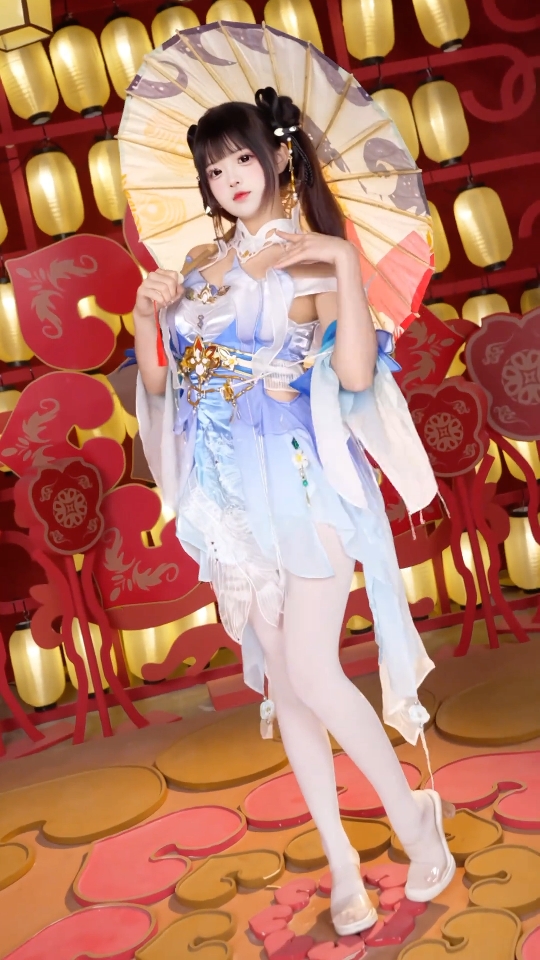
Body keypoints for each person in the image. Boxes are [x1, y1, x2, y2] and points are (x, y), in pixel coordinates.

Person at [133, 86, 455, 936]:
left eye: (242, 157)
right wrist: (145, 317)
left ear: (278, 156)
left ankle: (412, 818)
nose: (230, 178)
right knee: (289, 684)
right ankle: (342, 863)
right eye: (214, 169)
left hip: (304, 487)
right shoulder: (196, 270)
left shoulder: (313, 261)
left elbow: (355, 377)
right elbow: (165, 386)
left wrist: (341, 261)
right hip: (231, 501)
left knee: (312, 670)